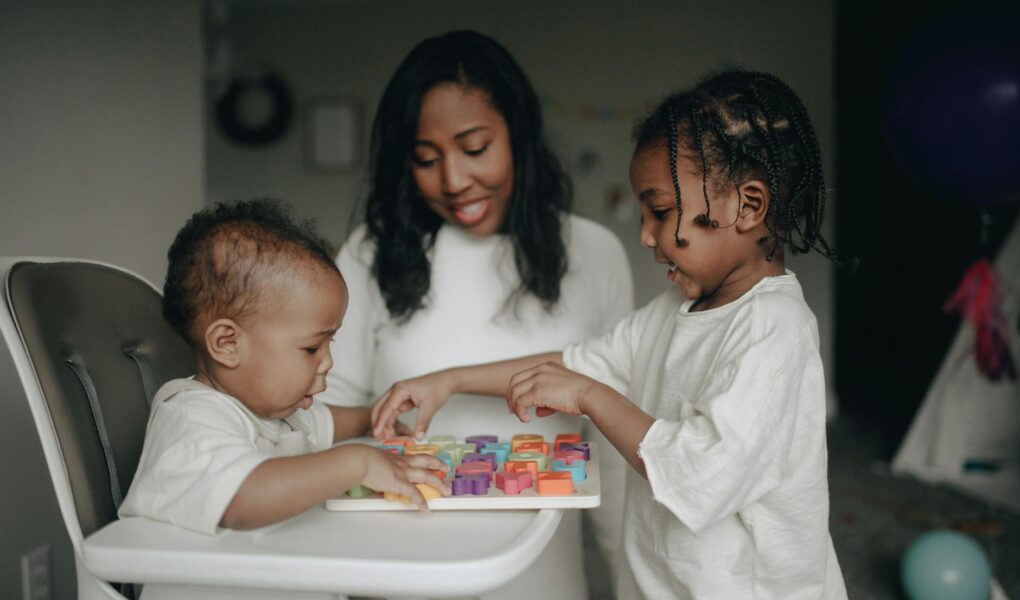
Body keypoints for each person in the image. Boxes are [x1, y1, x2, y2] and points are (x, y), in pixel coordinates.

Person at [372, 69, 850, 599]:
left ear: (749, 206)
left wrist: (590, 398)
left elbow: (699, 473)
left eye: (662, 212)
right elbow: (578, 363)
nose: (645, 235)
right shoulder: (677, 309)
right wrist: (452, 378)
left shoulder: (774, 330)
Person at [318, 30, 633, 597]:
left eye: (475, 147)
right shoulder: (371, 252)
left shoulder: (596, 253)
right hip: (397, 573)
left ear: (518, 133)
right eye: (425, 159)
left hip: (543, 582)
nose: (454, 181)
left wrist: (628, 585)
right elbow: (325, 416)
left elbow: (614, 446)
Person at [119, 200, 450, 535]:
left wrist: (374, 419)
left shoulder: (279, 412)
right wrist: (358, 462)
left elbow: (330, 422)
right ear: (227, 344)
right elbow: (242, 500)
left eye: (329, 343)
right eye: (312, 347)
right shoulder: (190, 421)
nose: (328, 362)